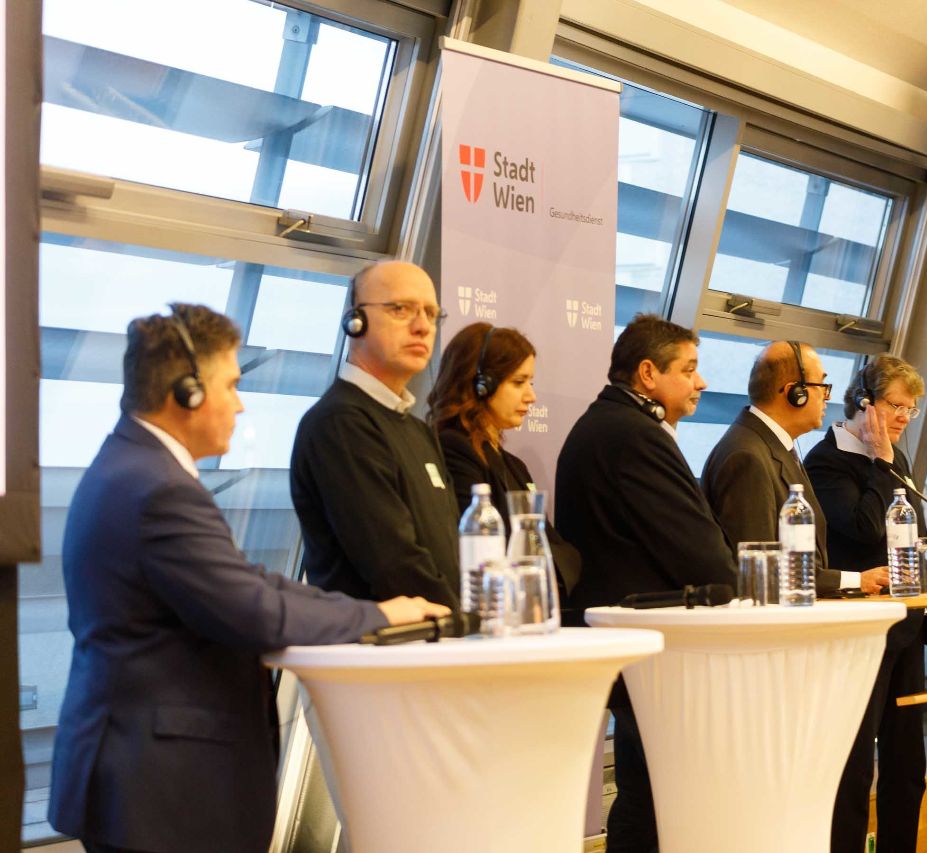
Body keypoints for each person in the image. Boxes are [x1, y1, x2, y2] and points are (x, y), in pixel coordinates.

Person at [48, 304, 447, 853]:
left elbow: (247, 582)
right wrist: (378, 614)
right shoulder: (157, 489)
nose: (239, 404)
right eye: (231, 386)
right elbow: (255, 611)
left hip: (143, 777)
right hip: (159, 791)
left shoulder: (133, 468)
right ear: (187, 392)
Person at [557, 313, 735, 853]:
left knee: (649, 792)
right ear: (648, 374)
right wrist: (728, 579)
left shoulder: (610, 425)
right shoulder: (634, 435)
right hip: (646, 648)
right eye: (689, 369)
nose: (701, 382)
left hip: (630, 644)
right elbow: (701, 554)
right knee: (654, 800)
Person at [803, 354, 927, 853]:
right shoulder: (826, 460)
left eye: (910, 409)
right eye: (896, 406)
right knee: (856, 767)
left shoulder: (895, 457)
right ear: (863, 402)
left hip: (906, 625)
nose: (903, 418)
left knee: (908, 766)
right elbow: (863, 527)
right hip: (860, 629)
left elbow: (913, 530)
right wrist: (880, 463)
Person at [291, 260, 462, 610]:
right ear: (356, 322)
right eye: (401, 309)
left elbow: (448, 549)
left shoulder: (417, 429)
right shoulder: (340, 423)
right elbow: (392, 563)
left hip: (440, 633)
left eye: (431, 314)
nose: (422, 327)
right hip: (379, 641)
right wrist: (465, 623)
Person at [427, 321, 581, 603]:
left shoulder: (514, 465)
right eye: (518, 382)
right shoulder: (453, 449)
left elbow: (562, 551)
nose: (531, 397)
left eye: (530, 383)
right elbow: (488, 550)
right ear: (480, 385)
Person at [701, 340, 862, 595]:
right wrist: (855, 581)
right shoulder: (747, 456)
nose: (827, 397)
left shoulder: (771, 447)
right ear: (795, 393)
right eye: (822, 386)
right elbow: (760, 572)